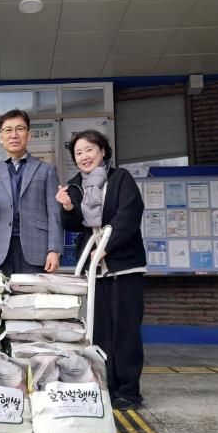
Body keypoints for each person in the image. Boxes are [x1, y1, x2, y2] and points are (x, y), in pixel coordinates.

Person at [55, 129, 146, 411]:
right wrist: (67, 207)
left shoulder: (120, 179)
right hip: (94, 270)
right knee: (100, 330)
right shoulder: (75, 185)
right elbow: (73, 224)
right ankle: (105, 384)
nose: (84, 156)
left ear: (103, 151)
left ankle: (128, 391)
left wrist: (108, 246)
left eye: (89, 150)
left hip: (123, 265)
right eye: (78, 153)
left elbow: (129, 214)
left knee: (126, 330)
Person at [0, 109, 62, 277]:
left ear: (28, 135)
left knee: (32, 294)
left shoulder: (46, 170)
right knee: (1, 294)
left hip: (36, 248)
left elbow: (54, 214)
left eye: (20, 129)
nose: (14, 135)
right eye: (8, 130)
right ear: (1, 137)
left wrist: (54, 250)